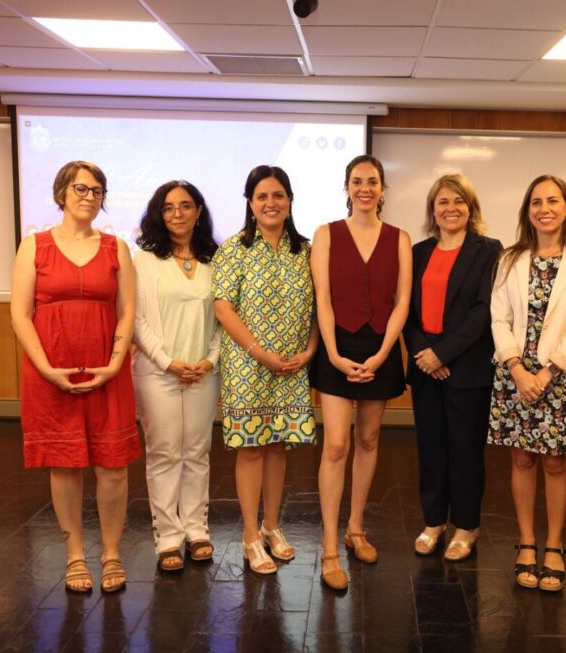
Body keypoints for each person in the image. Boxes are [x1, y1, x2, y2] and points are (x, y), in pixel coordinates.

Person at [11, 160, 142, 594]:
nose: (89, 196)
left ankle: (111, 552)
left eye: (97, 190)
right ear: (62, 193)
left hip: (109, 371)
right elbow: (20, 314)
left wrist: (115, 361)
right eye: (81, 188)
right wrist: (46, 368)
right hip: (51, 373)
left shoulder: (115, 248)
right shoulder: (34, 246)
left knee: (113, 468)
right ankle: (74, 556)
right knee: (65, 465)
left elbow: (126, 312)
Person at [488, 175, 566, 592]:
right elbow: (499, 317)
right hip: (513, 373)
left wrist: (548, 372)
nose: (544, 208)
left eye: (553, 201)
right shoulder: (510, 258)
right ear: (527, 210)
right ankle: (527, 543)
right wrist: (517, 368)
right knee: (521, 460)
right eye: (536, 202)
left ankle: (553, 545)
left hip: (561, 375)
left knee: (555, 461)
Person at [310, 154, 412, 590]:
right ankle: (330, 547)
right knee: (335, 445)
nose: (365, 188)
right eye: (357, 181)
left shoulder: (400, 238)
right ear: (347, 187)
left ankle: (356, 529)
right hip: (337, 347)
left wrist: (384, 352)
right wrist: (332, 354)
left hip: (382, 348)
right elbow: (323, 299)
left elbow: (401, 302)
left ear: (383, 189)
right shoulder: (326, 234)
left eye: (372, 181)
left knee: (368, 439)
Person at [213, 166, 318, 576]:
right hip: (247, 365)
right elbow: (223, 307)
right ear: (250, 204)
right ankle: (249, 537)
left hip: (292, 366)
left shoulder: (306, 250)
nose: (270, 203)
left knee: (279, 447)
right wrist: (261, 353)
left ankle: (272, 526)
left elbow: (317, 307)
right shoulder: (234, 248)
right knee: (253, 448)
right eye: (262, 196)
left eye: (278, 195)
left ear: (289, 200)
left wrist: (309, 351)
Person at [404, 174, 501, 561]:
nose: (451, 208)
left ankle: (466, 525)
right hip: (425, 367)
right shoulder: (418, 252)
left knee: (465, 450)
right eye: (443, 201)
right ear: (432, 209)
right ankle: (433, 522)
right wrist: (424, 354)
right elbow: (406, 309)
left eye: (459, 201)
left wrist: (443, 354)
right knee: (430, 449)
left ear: (471, 207)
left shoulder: (489, 250)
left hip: (468, 369)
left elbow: (484, 311)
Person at [132, 180, 220, 573]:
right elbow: (134, 319)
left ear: (199, 211)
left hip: (203, 371)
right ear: (158, 214)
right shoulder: (144, 260)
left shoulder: (216, 259)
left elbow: (225, 318)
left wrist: (210, 360)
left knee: (197, 452)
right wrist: (168, 361)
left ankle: (196, 530)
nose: (178, 214)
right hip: (157, 372)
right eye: (169, 208)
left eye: (186, 206)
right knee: (165, 452)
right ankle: (168, 537)